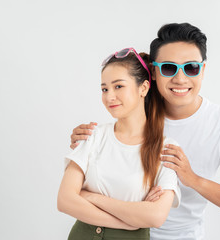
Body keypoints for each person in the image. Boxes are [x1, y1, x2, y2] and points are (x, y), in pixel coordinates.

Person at [70, 23, 220, 240]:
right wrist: (86, 143)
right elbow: (106, 156)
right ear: (153, 73)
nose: (180, 79)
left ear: (203, 70)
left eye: (191, 67)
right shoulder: (138, 105)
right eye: (168, 68)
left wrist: (192, 179)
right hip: (121, 233)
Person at [57, 47, 181, 240]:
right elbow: (65, 200)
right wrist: (129, 222)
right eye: (104, 89)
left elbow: (156, 216)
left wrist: (90, 197)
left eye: (118, 86)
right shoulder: (92, 136)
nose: (109, 96)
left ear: (144, 88)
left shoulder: (165, 149)